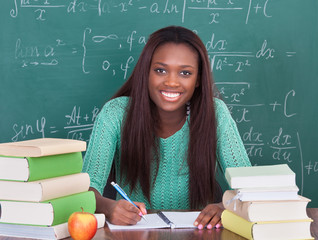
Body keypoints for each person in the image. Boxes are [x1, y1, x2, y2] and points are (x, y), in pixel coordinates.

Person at [82, 25, 251, 229]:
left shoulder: (215, 113)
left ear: (198, 80)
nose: (171, 82)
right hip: (133, 232)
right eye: (160, 70)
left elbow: (250, 187)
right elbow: (87, 190)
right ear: (146, 72)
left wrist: (225, 207)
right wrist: (109, 208)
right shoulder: (115, 113)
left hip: (198, 232)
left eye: (185, 73)